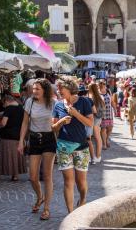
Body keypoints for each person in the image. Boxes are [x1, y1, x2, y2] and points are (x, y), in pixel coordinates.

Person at [17, 79, 56, 221]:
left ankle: (46, 208)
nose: (34, 91)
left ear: (45, 90)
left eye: (37, 89)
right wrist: (21, 141)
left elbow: (57, 123)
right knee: (32, 176)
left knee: (47, 175)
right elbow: (25, 122)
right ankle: (40, 197)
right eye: (33, 89)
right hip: (34, 139)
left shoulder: (53, 103)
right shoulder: (29, 102)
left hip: (49, 139)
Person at [53, 77, 94, 213]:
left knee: (81, 181)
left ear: (70, 89)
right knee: (68, 181)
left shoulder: (84, 102)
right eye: (58, 89)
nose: (58, 91)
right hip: (64, 147)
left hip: (81, 147)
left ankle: (82, 199)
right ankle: (70, 213)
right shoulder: (58, 105)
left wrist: (76, 114)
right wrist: (61, 122)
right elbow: (53, 127)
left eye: (61, 89)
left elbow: (90, 123)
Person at [0, 94, 26, 181]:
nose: (4, 106)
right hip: (17, 136)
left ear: (6, 101)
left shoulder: (9, 108)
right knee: (15, 157)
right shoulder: (21, 108)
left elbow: (3, 123)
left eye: (4, 104)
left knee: (2, 155)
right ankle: (15, 175)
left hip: (6, 136)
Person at [87, 83, 104, 163]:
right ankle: (97, 156)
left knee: (91, 138)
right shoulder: (100, 97)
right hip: (99, 118)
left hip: (93, 118)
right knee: (97, 138)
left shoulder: (91, 98)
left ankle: (95, 156)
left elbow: (91, 110)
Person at [98, 81, 115, 149]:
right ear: (100, 86)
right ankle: (104, 144)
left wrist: (115, 109)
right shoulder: (98, 93)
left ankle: (107, 139)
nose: (104, 86)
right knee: (103, 129)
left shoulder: (108, 92)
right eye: (103, 85)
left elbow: (112, 101)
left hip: (109, 113)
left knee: (110, 128)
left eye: (104, 85)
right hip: (102, 113)